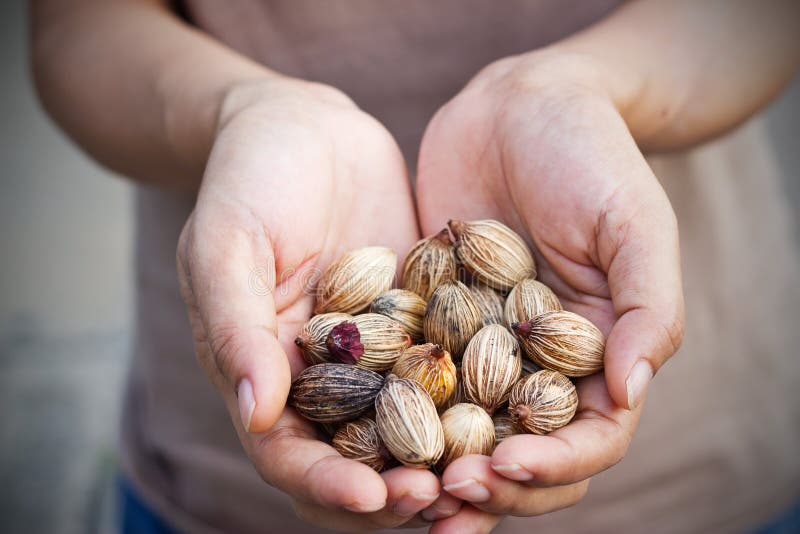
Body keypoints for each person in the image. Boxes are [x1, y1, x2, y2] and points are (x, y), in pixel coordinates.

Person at [30, 1, 800, 532]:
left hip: (706, 470)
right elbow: (76, 27)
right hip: (222, 466)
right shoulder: (410, 338)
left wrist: (584, 88)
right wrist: (239, 109)